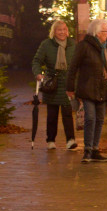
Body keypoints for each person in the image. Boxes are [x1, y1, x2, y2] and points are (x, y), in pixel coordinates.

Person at [67, 18, 107, 164]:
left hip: (103, 88)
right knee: (90, 118)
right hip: (87, 87)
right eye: (105, 31)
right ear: (96, 32)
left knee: (100, 119)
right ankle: (87, 150)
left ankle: (95, 149)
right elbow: (73, 67)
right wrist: (70, 87)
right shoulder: (84, 46)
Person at [31, 19, 77, 150]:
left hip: (67, 83)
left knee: (67, 113)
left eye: (64, 29)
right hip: (52, 84)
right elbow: (36, 61)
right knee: (52, 114)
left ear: (67, 31)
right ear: (54, 32)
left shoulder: (72, 44)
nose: (62, 32)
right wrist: (38, 74)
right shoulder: (46, 44)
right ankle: (50, 140)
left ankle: (70, 140)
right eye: (59, 30)